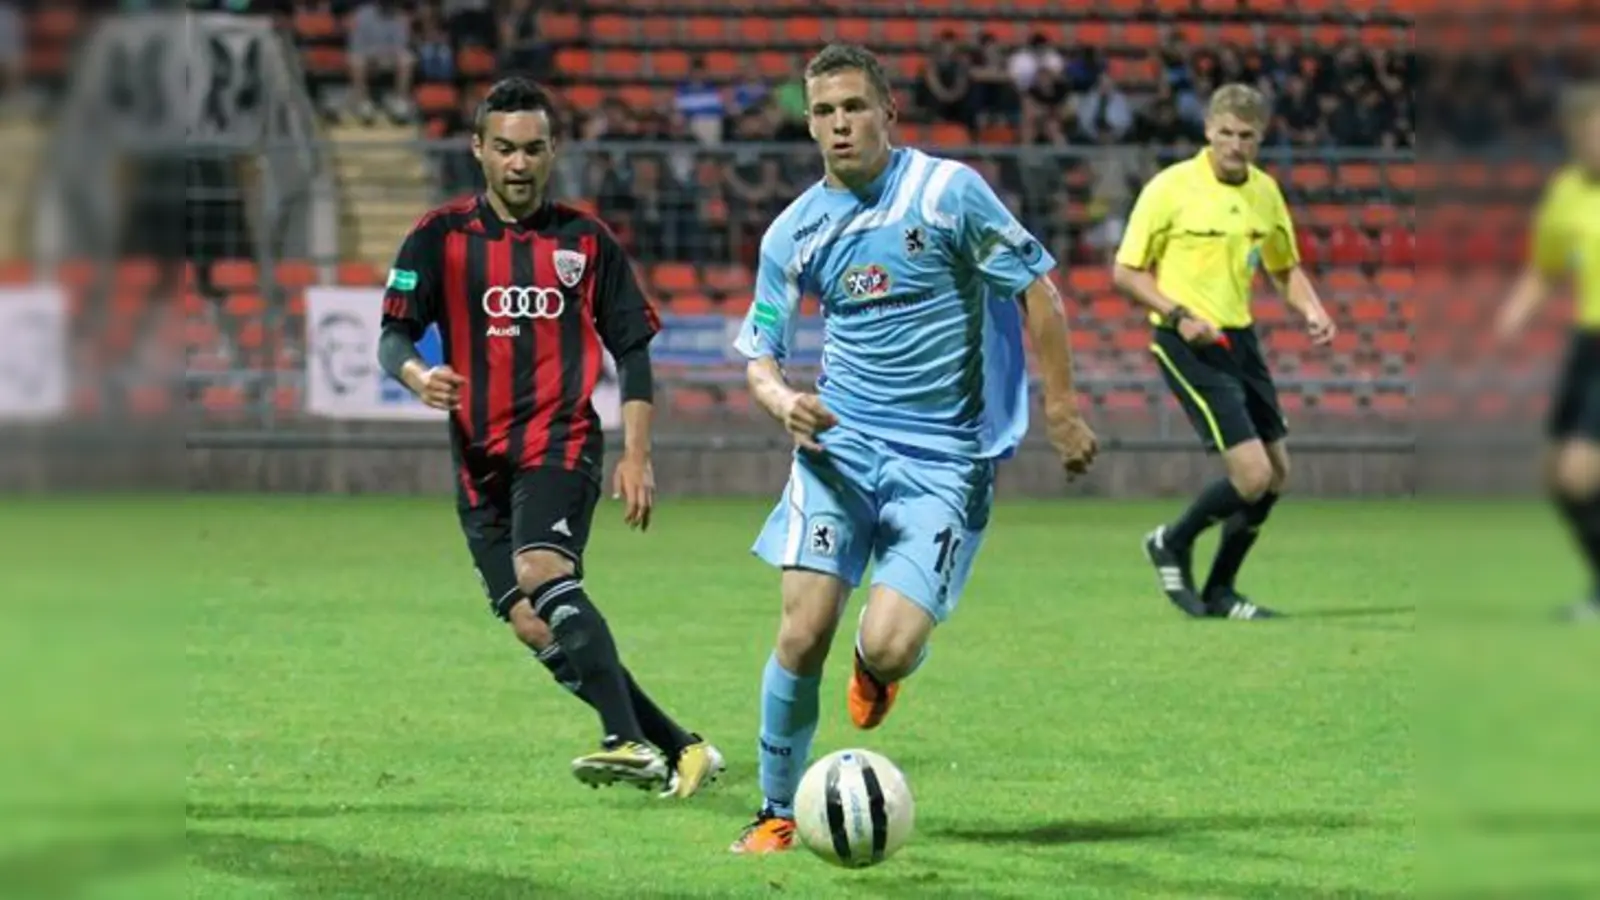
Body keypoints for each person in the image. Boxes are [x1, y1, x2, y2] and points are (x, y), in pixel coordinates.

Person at [727, 44, 1099, 854]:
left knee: (891, 648)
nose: (838, 125)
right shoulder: (794, 231)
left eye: (853, 107)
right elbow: (758, 352)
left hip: (942, 461)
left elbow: (1039, 289)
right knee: (801, 632)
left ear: (888, 112)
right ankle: (775, 809)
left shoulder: (946, 194)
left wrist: (1062, 411)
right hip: (839, 451)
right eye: (822, 112)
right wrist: (785, 401)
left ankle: (878, 670)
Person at [374, 76, 723, 796]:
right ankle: (679, 747)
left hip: (559, 443)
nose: (519, 164)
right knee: (535, 624)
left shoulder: (584, 242)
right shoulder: (440, 237)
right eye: (504, 149)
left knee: (542, 571)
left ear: (552, 151)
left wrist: (636, 453)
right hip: (477, 464)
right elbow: (392, 334)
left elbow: (632, 348)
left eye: (533, 149)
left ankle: (623, 739)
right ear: (478, 150)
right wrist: (415, 374)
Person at [1113, 82, 1337, 621]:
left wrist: (1312, 308)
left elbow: (1285, 268)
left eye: (1247, 136)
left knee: (1277, 474)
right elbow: (1125, 272)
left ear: (1261, 138)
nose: (1235, 144)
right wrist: (1178, 315)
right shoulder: (1171, 188)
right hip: (1185, 339)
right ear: (1208, 130)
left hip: (1239, 337)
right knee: (1252, 476)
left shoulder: (1265, 193)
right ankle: (1171, 540)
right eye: (1226, 133)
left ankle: (1221, 591)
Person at [1494, 83, 1600, 621]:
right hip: (1588, 343)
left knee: (1582, 471)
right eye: (1585, 132)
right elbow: (1546, 266)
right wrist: (1516, 312)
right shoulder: (1567, 193)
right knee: (1556, 474)